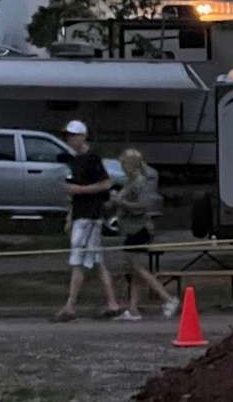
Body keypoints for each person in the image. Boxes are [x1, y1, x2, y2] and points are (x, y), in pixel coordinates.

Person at [53, 120, 121, 322]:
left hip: (90, 216)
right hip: (80, 215)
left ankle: (70, 306)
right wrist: (69, 216)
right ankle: (112, 303)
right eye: (68, 136)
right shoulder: (75, 160)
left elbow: (107, 183)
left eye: (73, 136)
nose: (70, 139)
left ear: (83, 136)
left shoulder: (92, 159)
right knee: (98, 262)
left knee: (78, 261)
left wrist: (81, 191)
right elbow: (72, 192)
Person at [110, 148, 178, 321]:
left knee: (137, 268)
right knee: (134, 270)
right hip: (132, 228)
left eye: (124, 163)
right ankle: (133, 309)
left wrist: (121, 202)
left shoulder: (140, 182)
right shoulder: (132, 181)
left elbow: (142, 206)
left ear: (130, 165)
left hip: (139, 229)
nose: (122, 167)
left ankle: (168, 298)